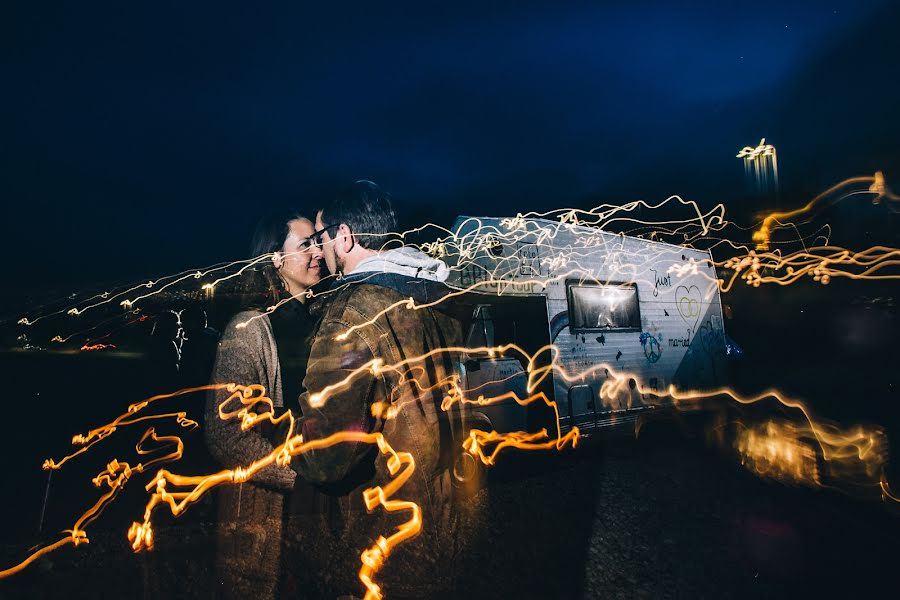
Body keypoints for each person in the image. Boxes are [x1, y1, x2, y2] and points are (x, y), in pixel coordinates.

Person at [281, 181, 463, 599]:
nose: (321, 251)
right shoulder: (436, 297)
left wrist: (278, 438)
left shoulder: (352, 314)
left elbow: (328, 454)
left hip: (383, 533)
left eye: (323, 237)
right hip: (440, 514)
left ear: (344, 237)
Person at [204, 209, 323, 599]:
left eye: (318, 241)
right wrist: (298, 477)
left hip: (311, 516)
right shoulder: (250, 328)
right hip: (265, 513)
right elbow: (225, 435)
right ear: (275, 259)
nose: (318, 252)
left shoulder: (319, 322)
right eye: (305, 244)